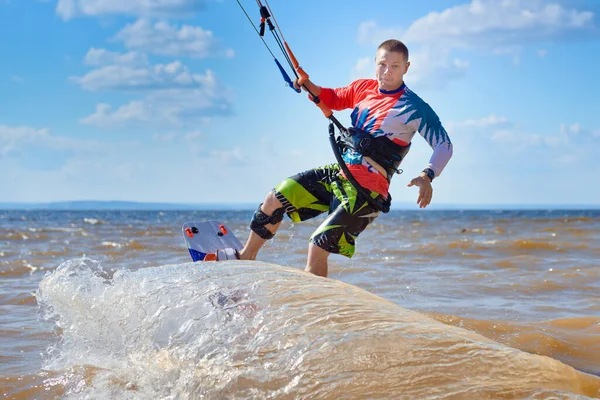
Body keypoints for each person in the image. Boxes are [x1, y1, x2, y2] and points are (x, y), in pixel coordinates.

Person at [237, 39, 453, 277]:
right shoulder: (363, 88)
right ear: (375, 63)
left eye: (395, 66)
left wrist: (427, 175)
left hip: (367, 193)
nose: (387, 72)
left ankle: (316, 308)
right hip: (340, 175)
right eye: (383, 64)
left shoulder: (415, 107)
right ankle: (244, 259)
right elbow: (331, 97)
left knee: (317, 245)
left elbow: (443, 145)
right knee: (275, 198)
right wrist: (308, 84)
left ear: (406, 67)